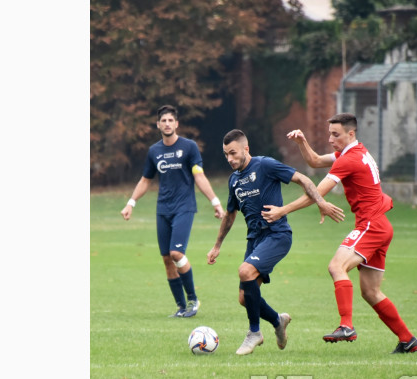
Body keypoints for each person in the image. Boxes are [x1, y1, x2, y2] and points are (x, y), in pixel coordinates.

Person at [261, 113, 417, 354]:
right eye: (330, 134)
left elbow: (316, 193)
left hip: (371, 225)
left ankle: (346, 326)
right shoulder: (355, 153)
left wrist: (282, 210)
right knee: (371, 292)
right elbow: (314, 161)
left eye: (336, 135)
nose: (331, 139)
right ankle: (408, 340)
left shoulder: (349, 160)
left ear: (351, 134)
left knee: (337, 266)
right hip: (380, 225)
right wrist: (302, 142)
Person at [206, 129, 344, 355]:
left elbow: (303, 179)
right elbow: (230, 214)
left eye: (233, 153)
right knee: (244, 298)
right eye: (226, 155)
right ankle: (277, 320)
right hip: (255, 239)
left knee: (245, 271)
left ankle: (254, 334)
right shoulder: (234, 180)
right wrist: (217, 245)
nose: (230, 159)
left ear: (245, 149)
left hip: (277, 235)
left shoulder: (265, 165)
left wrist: (320, 202)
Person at [121, 105, 225, 318]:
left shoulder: (189, 147)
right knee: (167, 259)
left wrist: (215, 201)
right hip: (163, 209)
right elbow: (145, 180)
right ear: (158, 124)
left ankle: (193, 300)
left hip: (184, 207)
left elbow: (199, 176)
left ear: (176, 124)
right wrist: (131, 202)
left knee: (177, 253)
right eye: (163, 121)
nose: (167, 124)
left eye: (171, 120)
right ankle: (180, 307)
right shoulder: (154, 151)